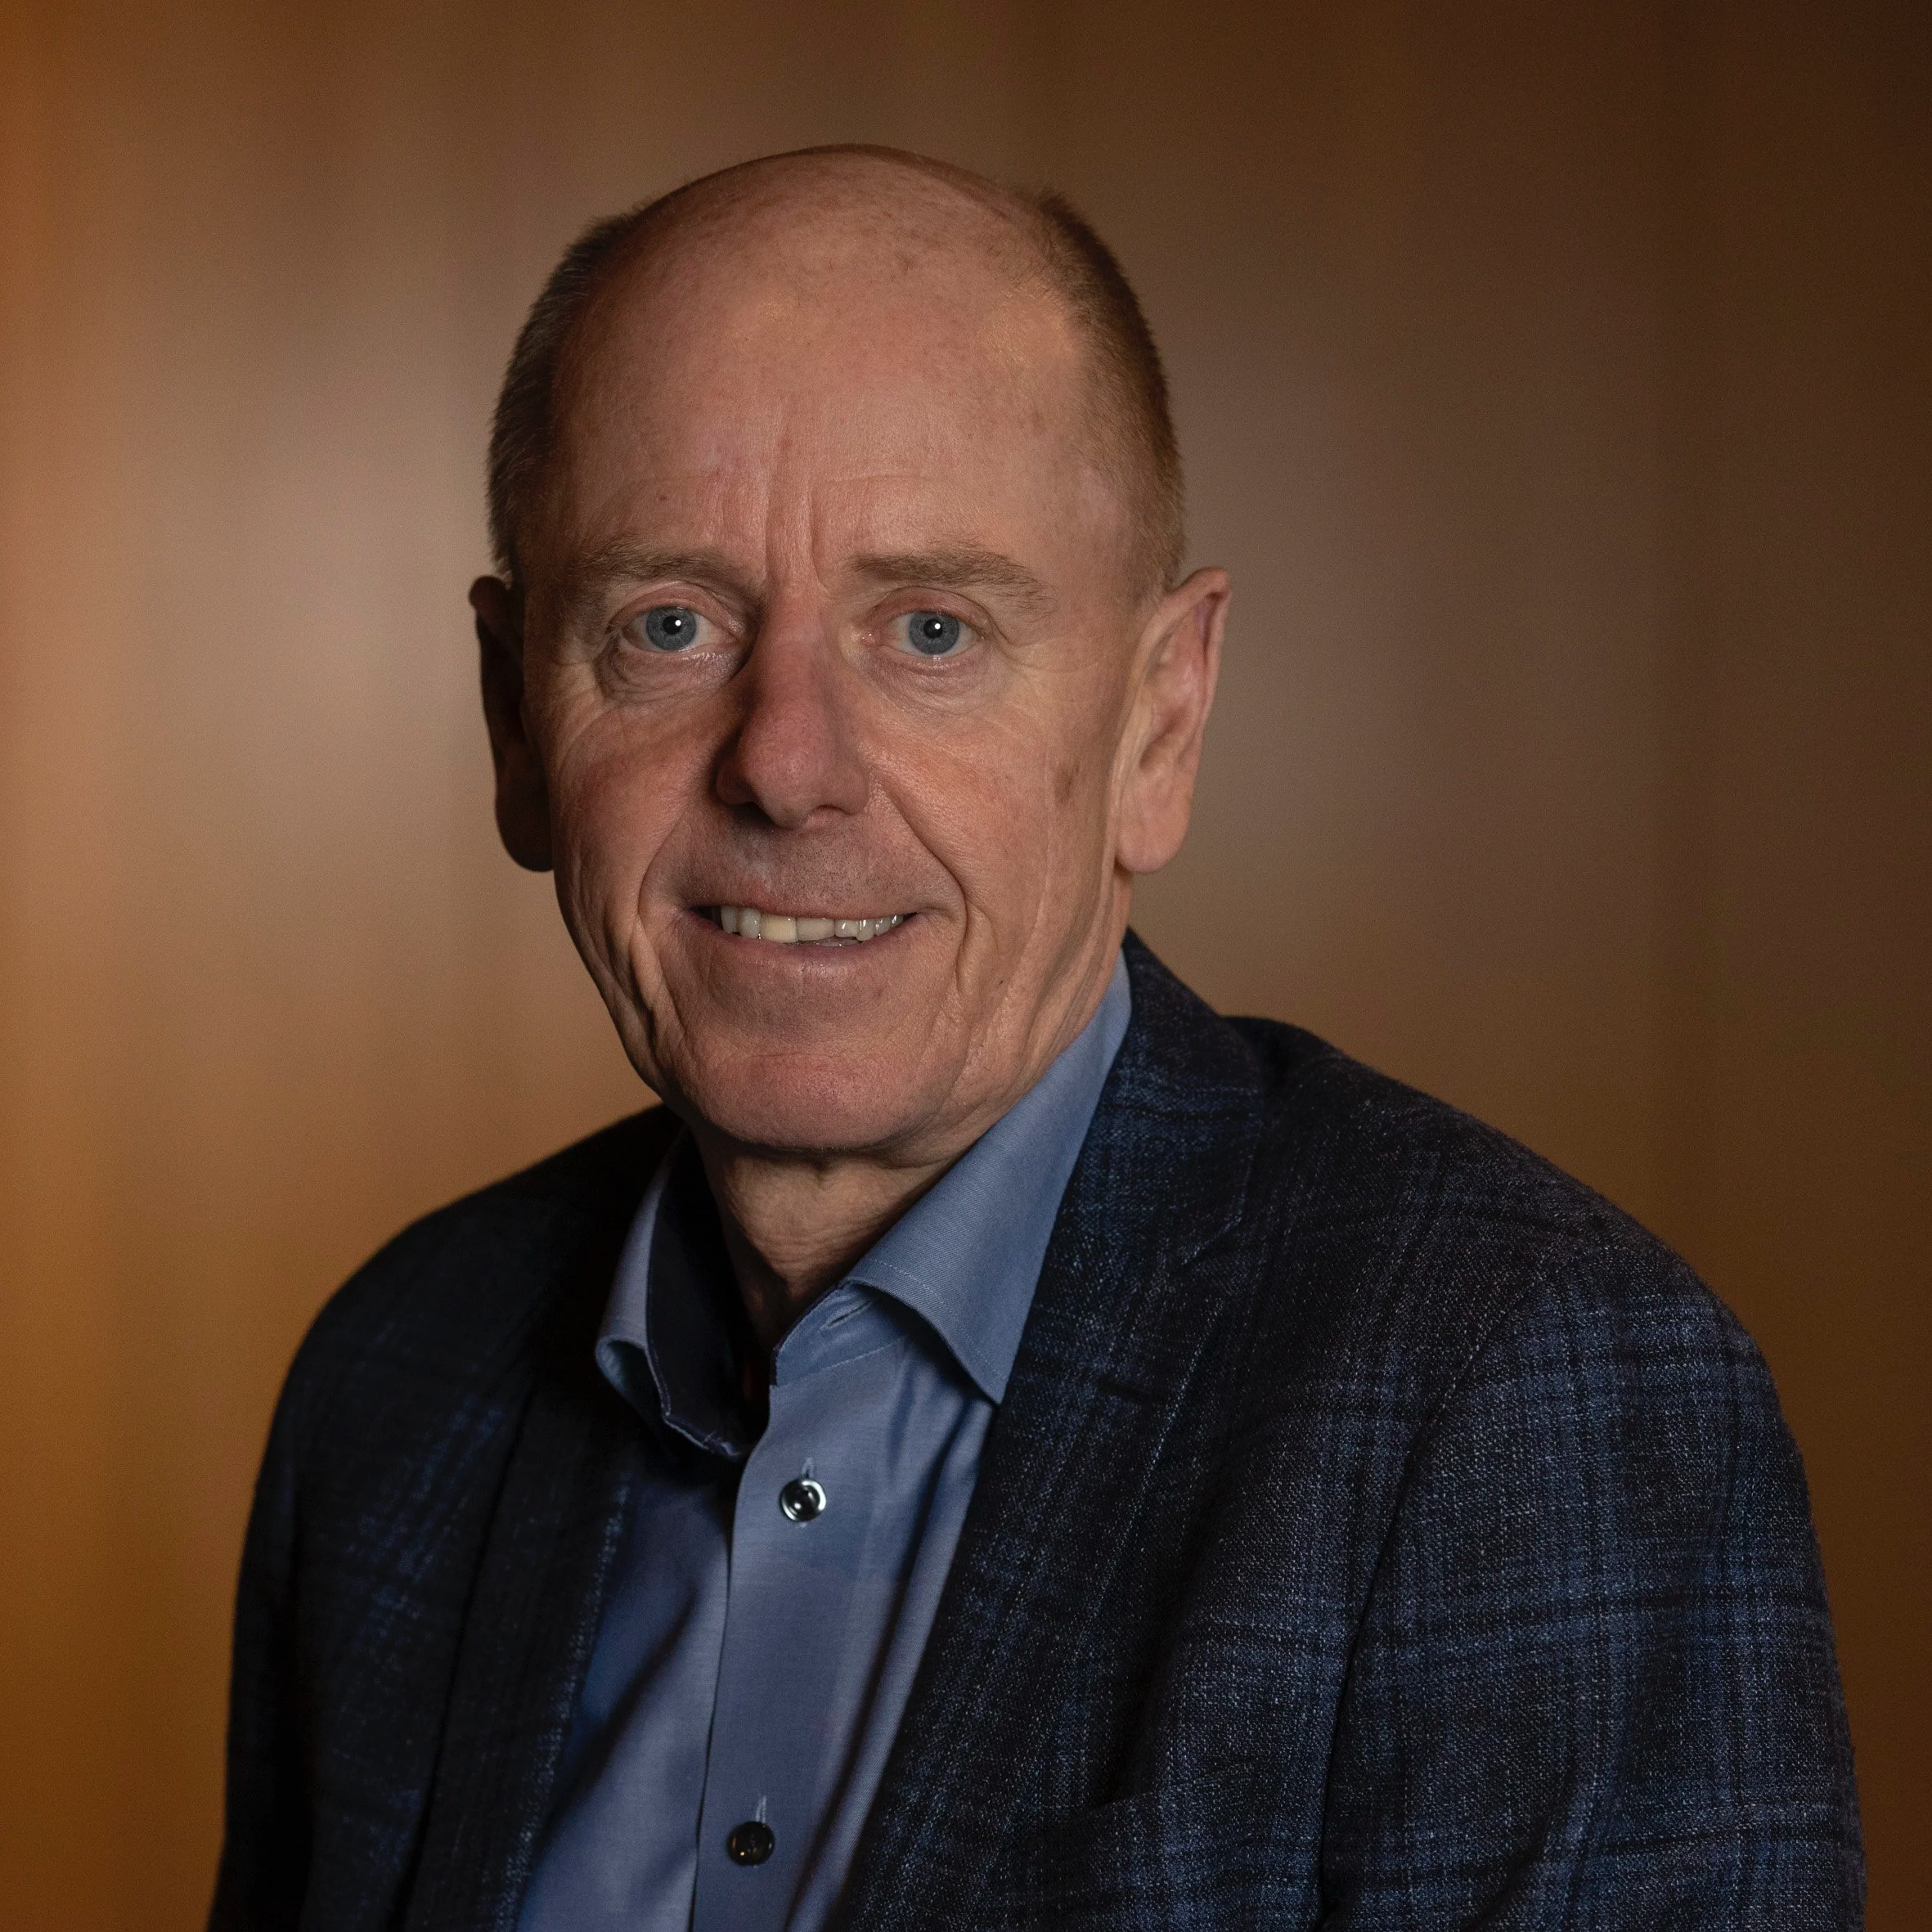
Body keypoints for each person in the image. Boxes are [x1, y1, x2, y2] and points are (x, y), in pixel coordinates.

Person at [209, 146, 1861, 1932]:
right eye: (667, 624)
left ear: (1159, 720)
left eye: (930, 629)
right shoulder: (398, 1371)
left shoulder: (1523, 1397)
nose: (784, 761)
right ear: (513, 720)